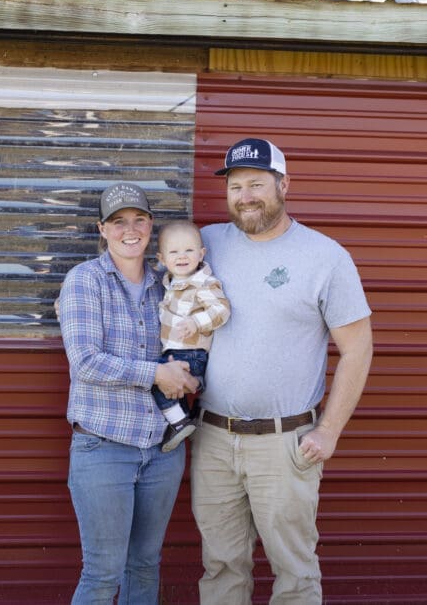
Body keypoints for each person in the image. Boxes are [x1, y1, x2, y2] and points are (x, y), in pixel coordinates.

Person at [191, 138, 374, 604]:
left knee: (294, 572)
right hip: (212, 438)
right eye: (235, 187)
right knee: (220, 568)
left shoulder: (324, 256)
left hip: (284, 443)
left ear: (284, 185)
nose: (245, 196)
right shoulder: (205, 243)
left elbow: (357, 349)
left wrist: (330, 430)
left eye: (256, 184)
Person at [57, 181, 200, 604]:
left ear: (151, 226)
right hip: (103, 448)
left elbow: (192, 340)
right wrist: (156, 374)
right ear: (102, 229)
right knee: (102, 572)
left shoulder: (168, 284)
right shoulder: (85, 281)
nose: (130, 230)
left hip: (162, 449)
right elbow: (85, 361)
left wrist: (191, 375)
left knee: (145, 564)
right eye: (118, 222)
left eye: (139, 220)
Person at [151, 220, 231, 453]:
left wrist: (196, 322)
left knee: (155, 375)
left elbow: (221, 309)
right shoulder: (170, 283)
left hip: (192, 353)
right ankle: (186, 417)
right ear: (162, 259)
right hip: (176, 351)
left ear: (201, 253)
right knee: (167, 383)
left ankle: (178, 422)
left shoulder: (203, 284)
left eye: (189, 250)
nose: (182, 256)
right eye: (174, 252)